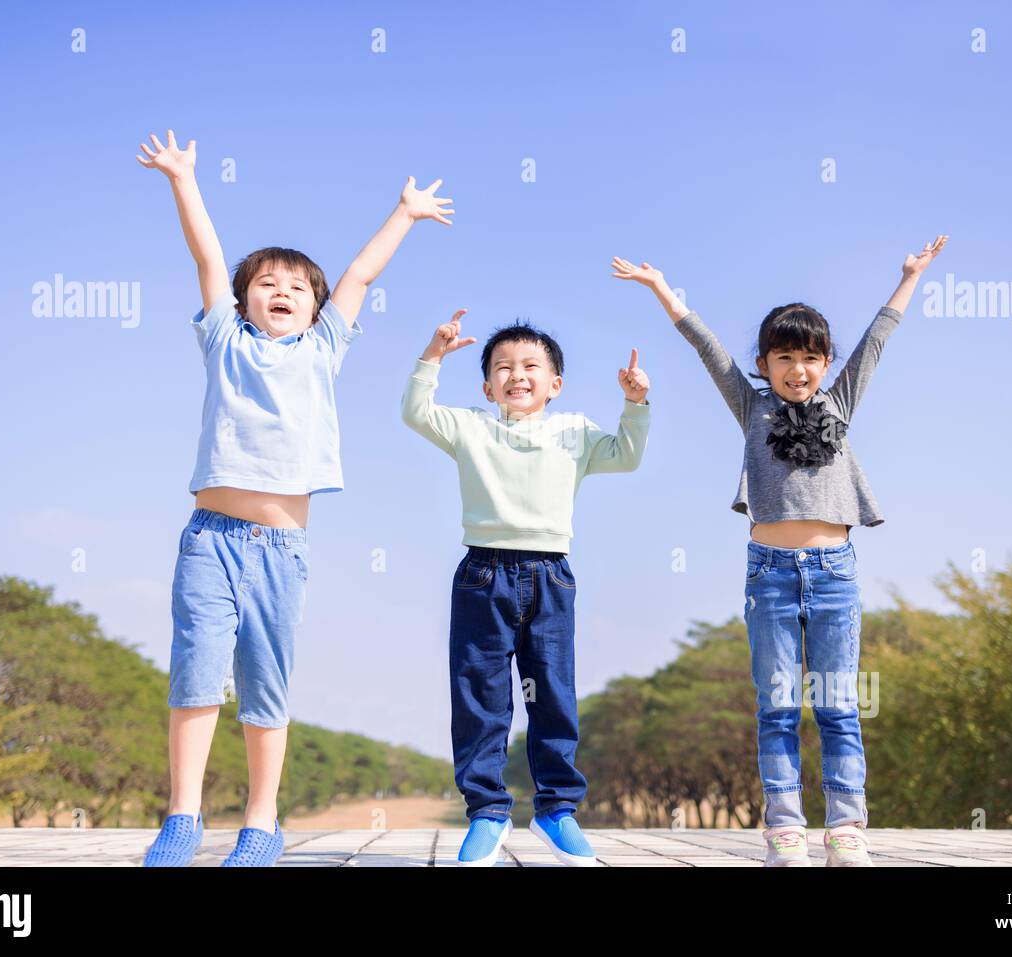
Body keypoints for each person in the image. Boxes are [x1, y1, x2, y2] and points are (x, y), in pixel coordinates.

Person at [136, 128, 453, 866]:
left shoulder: (323, 350)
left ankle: (261, 821)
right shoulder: (225, 342)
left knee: (264, 685)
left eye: (296, 287)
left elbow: (359, 277)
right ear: (244, 302)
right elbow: (208, 257)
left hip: (281, 548)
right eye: (267, 284)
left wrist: (404, 214)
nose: (281, 292)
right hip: (209, 538)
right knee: (195, 670)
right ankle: (181, 816)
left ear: (315, 308)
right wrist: (183, 178)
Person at [612, 236, 947, 866]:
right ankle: (786, 830)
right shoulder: (752, 408)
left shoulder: (839, 406)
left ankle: (846, 829)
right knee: (778, 706)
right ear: (764, 364)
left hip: (835, 572)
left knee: (839, 706)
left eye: (811, 358)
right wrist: (661, 288)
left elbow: (877, 339)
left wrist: (909, 276)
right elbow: (707, 347)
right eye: (784, 356)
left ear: (825, 364)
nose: (798, 369)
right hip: (769, 573)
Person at [401, 309, 651, 866]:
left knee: (552, 694)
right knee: (480, 697)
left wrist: (635, 404)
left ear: (554, 383)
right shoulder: (470, 426)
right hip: (482, 574)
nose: (517, 375)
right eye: (503, 367)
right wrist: (432, 357)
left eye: (531, 366)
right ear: (487, 385)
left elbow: (627, 456)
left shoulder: (576, 430)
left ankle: (556, 810)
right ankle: (488, 814)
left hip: (550, 575)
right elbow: (415, 412)